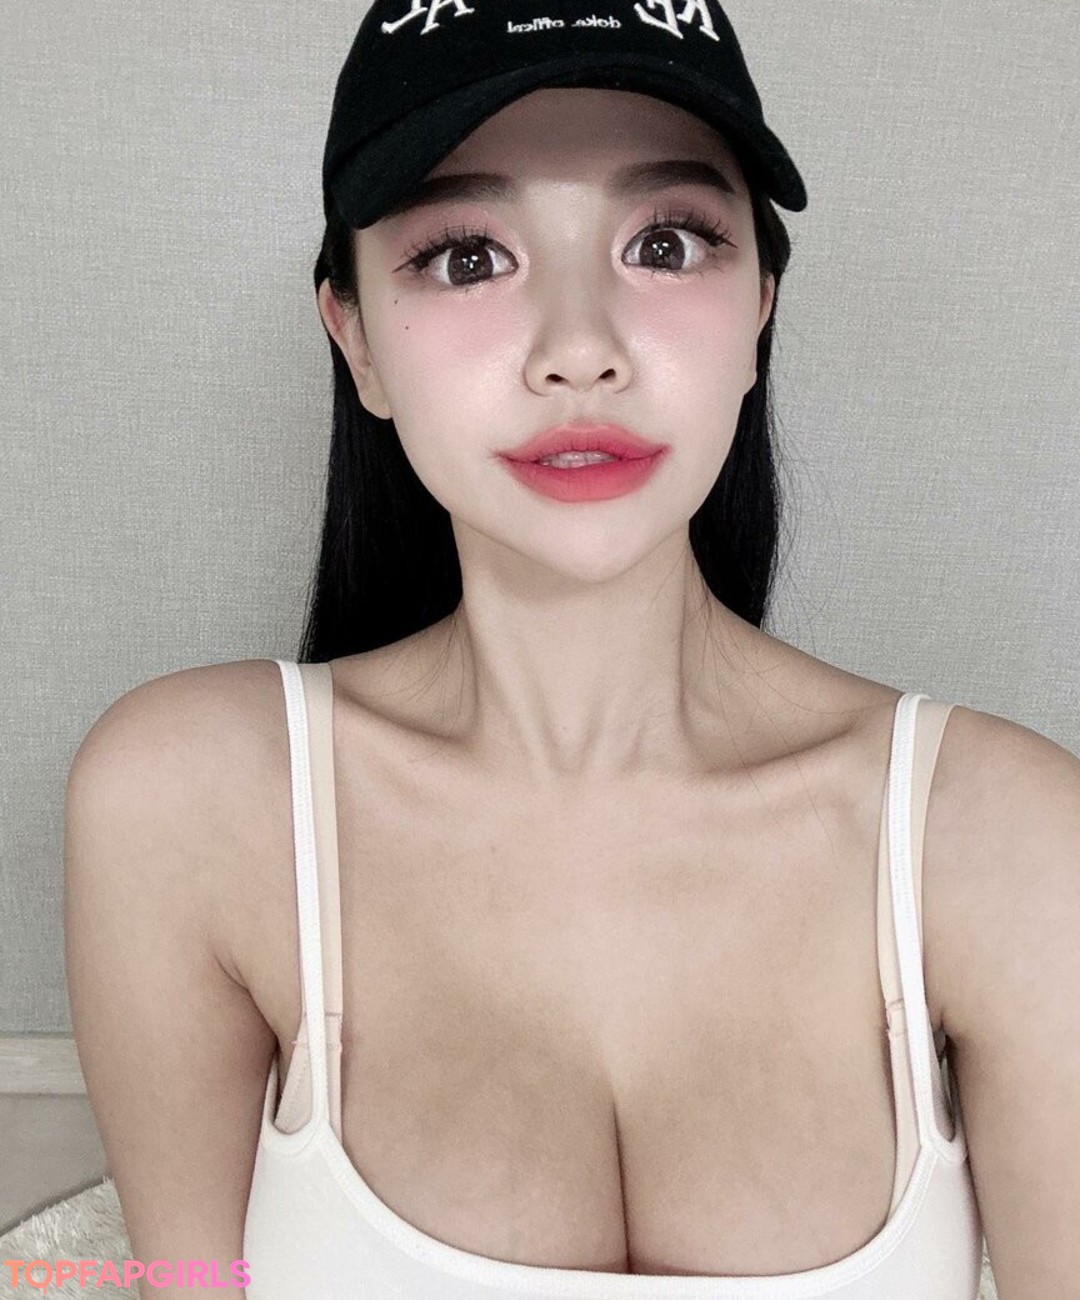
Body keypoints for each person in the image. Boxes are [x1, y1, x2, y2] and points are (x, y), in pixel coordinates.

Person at [63, 3, 1080, 1298]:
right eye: (465, 257)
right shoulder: (189, 804)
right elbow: (185, 1285)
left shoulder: (1004, 841)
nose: (580, 350)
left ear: (760, 308)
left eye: (666, 242)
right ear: (355, 338)